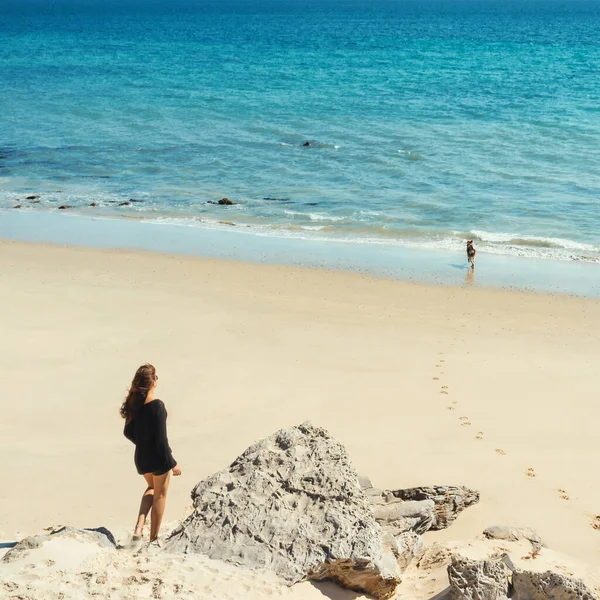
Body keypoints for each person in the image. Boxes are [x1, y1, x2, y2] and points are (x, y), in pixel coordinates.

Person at [120, 364, 181, 544]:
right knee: (160, 496)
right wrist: (172, 463)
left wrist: (143, 443)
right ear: (153, 382)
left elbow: (128, 432)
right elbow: (162, 440)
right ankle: (153, 539)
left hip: (141, 459)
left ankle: (139, 528)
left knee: (152, 488)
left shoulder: (135, 407)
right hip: (158, 459)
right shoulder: (157, 406)